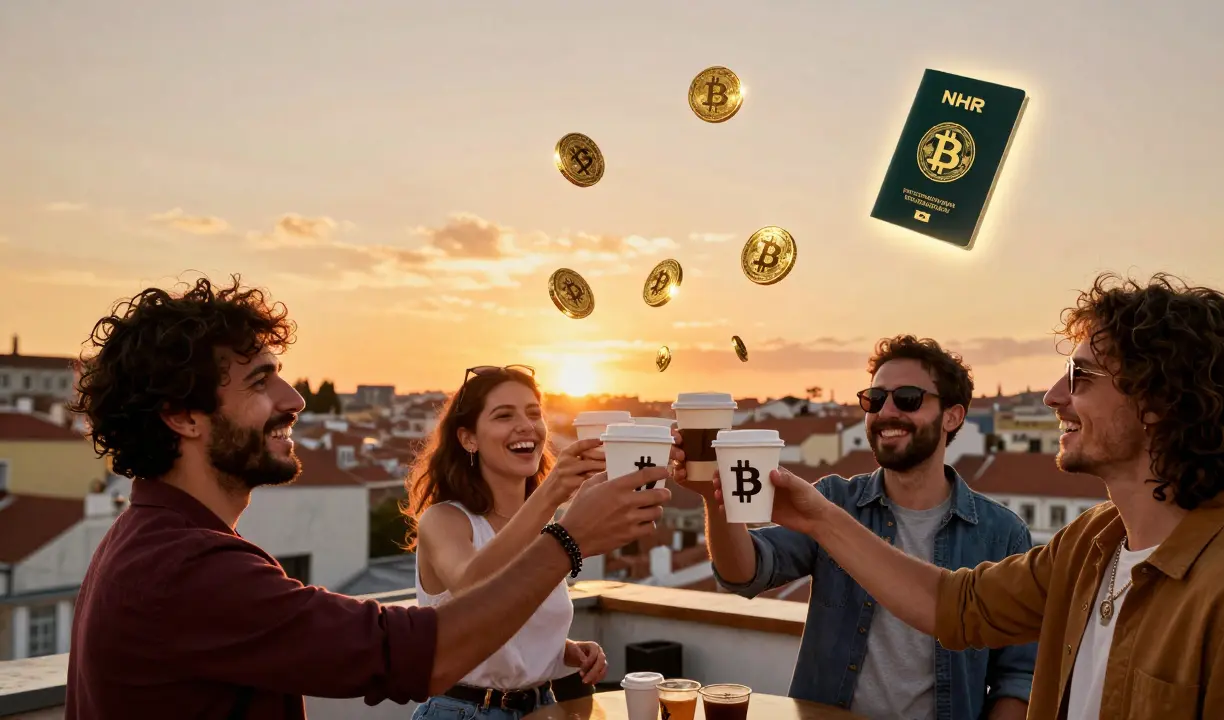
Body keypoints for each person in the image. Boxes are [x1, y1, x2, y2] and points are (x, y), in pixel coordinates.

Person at [63, 276, 673, 719]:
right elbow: (411, 652)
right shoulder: (185, 569)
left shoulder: (152, 545)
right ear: (182, 417)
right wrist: (568, 539)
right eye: (259, 380)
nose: (295, 399)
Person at [709, 273, 1224, 719]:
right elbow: (953, 607)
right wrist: (819, 516)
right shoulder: (1091, 544)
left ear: (1160, 400)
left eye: (1081, 377)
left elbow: (1012, 674)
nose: (1054, 395)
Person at [686, 335, 1036, 719]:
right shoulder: (834, 502)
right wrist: (712, 496)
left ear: (952, 416)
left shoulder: (1001, 533)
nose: (886, 412)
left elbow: (1019, 675)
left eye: (907, 398)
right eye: (874, 399)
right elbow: (745, 573)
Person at [404, 364, 675, 718]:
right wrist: (550, 495)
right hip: (464, 711)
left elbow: (508, 618)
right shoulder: (444, 520)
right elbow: (473, 586)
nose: (526, 425)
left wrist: (562, 651)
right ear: (468, 438)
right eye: (504, 415)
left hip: (541, 708)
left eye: (534, 413)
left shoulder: (542, 526)